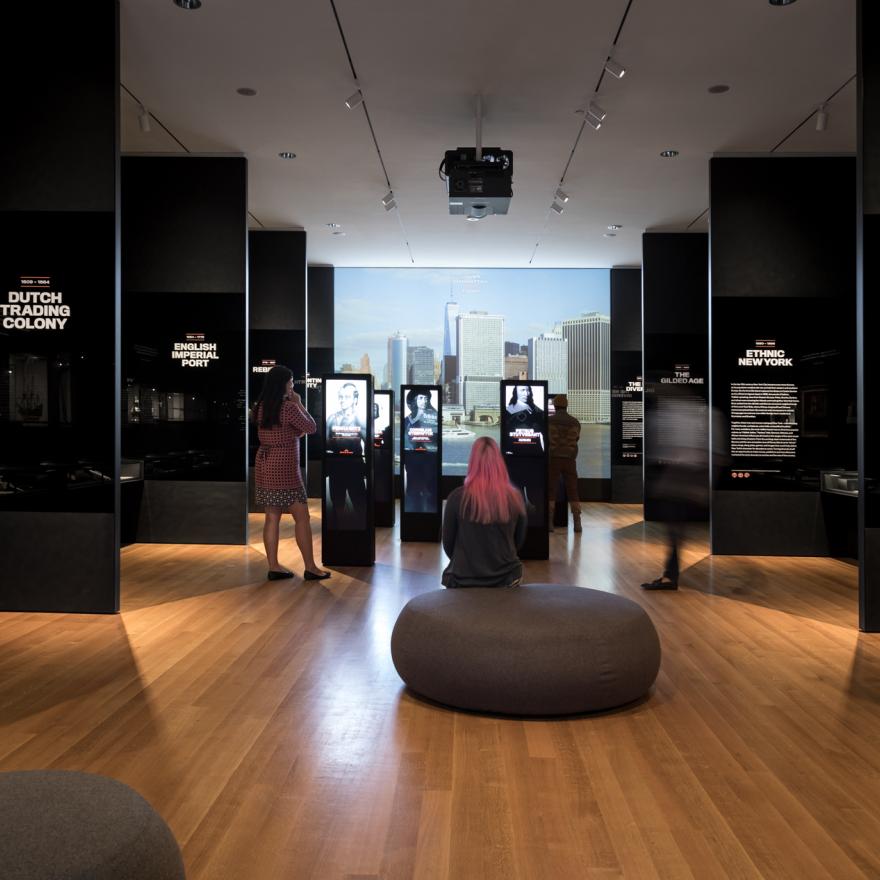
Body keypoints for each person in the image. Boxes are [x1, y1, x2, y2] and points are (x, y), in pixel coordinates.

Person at [254, 365, 330, 581]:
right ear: (283, 384)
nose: (293, 385)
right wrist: (299, 403)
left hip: (265, 464)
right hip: (285, 467)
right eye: (291, 381)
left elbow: (290, 431)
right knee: (302, 517)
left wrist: (295, 433)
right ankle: (311, 568)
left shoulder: (260, 407)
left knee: (272, 517)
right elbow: (311, 427)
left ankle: (274, 566)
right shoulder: (288, 407)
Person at [441, 436, 527, 588]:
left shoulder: (457, 497)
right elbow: (518, 542)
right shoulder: (515, 498)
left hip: (462, 579)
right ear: (499, 463)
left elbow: (448, 545)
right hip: (507, 579)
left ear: (472, 462)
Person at [325, 381, 368, 528]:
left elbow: (368, 443)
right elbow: (325, 445)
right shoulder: (331, 418)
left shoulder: (360, 418)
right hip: (337, 467)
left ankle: (360, 532)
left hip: (354, 466)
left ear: (355, 399)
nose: (342, 400)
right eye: (341, 396)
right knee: (337, 502)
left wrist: (367, 467)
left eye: (347, 397)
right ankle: (339, 531)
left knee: (359, 502)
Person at [547, 394, 582, 533]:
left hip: (553, 459)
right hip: (570, 460)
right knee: (573, 490)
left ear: (555, 406)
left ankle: (549, 522)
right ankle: (577, 523)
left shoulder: (549, 421)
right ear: (566, 405)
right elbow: (576, 439)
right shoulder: (575, 422)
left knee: (551, 490)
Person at [403, 388, 439, 512]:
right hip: (412, 463)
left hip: (430, 462)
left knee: (430, 494)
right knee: (413, 494)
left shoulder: (434, 418)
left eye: (426, 398)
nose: (424, 400)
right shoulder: (406, 421)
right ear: (413, 401)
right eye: (421, 398)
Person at [505, 384, 544, 451]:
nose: (526, 394)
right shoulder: (508, 411)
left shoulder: (539, 412)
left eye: (528, 390)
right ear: (516, 393)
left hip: (535, 451)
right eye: (522, 390)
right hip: (514, 450)